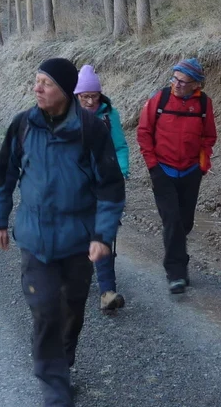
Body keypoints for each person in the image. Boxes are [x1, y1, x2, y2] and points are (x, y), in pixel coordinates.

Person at [0, 58, 126, 407]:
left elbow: (110, 187)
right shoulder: (23, 125)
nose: (37, 88)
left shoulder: (91, 130)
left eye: (45, 83)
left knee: (71, 310)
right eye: (36, 81)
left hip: (77, 240)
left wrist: (101, 235)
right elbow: (3, 176)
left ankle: (63, 366)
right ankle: (53, 384)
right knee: (46, 309)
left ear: (65, 92)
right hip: (35, 239)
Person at [136, 57, 216, 294]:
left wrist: (202, 165)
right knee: (172, 220)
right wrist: (153, 167)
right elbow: (144, 133)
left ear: (196, 84)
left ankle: (176, 255)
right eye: (175, 79)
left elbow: (209, 137)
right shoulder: (159, 99)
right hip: (163, 170)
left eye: (183, 81)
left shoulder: (203, 104)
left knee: (185, 222)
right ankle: (176, 272)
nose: (177, 84)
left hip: (191, 171)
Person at [74, 64, 129, 313]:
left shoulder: (109, 115)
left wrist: (121, 171)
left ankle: (107, 292)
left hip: (104, 185)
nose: (89, 101)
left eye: (93, 96)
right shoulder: (66, 115)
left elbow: (120, 146)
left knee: (103, 235)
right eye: (84, 96)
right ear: (76, 95)